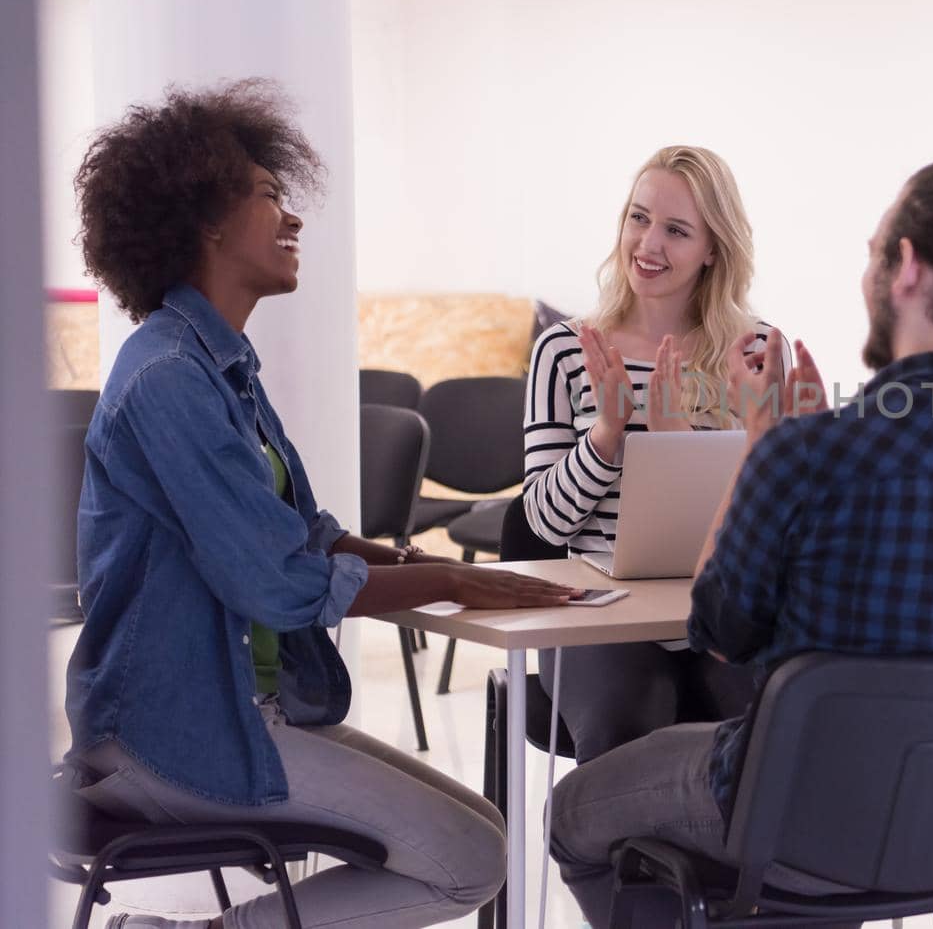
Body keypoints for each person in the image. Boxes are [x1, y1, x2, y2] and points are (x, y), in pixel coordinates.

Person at [65, 80, 582, 929]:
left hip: (237, 710)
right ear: (205, 221)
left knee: (484, 835)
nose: (292, 217)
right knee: (469, 860)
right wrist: (451, 580)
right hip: (167, 732)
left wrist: (428, 567)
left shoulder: (221, 366)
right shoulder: (167, 379)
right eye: (269, 195)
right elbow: (275, 582)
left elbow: (305, 536)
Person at [545, 154, 933, 929]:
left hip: (807, 819)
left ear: (904, 268)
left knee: (574, 811)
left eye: (875, 251)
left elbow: (717, 631)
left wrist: (765, 446)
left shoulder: (809, 455)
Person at [517, 145, 781, 761]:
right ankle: (612, 860)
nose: (648, 244)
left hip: (720, 612)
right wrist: (610, 435)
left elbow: (772, 519)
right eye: (639, 218)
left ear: (713, 249)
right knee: (627, 724)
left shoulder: (757, 351)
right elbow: (544, 522)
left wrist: (675, 444)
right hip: (598, 618)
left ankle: (727, 862)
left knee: (774, 722)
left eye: (677, 230)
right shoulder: (564, 350)